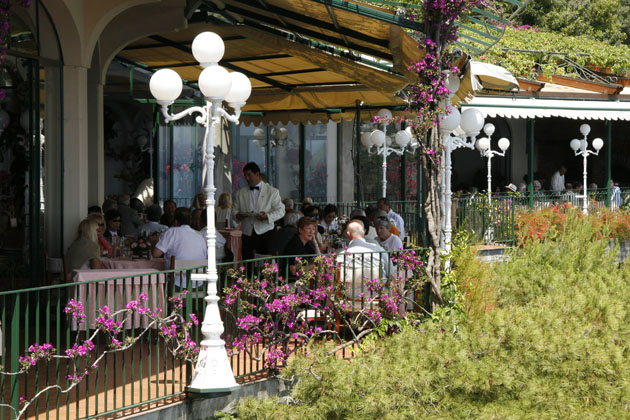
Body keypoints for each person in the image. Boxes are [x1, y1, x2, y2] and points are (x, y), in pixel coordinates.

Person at [232, 162, 285, 259]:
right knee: (247, 260)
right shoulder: (240, 193)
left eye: (249, 175)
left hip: (266, 231)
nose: (247, 178)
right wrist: (238, 216)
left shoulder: (272, 191)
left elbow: (281, 210)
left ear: (257, 174)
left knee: (265, 262)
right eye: (245, 176)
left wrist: (268, 216)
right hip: (247, 232)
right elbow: (234, 212)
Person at [152, 207, 207, 288]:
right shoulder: (199, 235)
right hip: (198, 283)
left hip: (176, 282)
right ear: (190, 221)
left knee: (157, 280)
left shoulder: (172, 232)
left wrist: (154, 242)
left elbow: (155, 254)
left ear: (176, 221)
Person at [336, 221, 393, 297]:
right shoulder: (379, 251)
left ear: (348, 234)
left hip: (349, 298)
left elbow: (335, 279)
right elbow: (391, 273)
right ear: (364, 232)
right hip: (375, 297)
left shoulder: (341, 255)